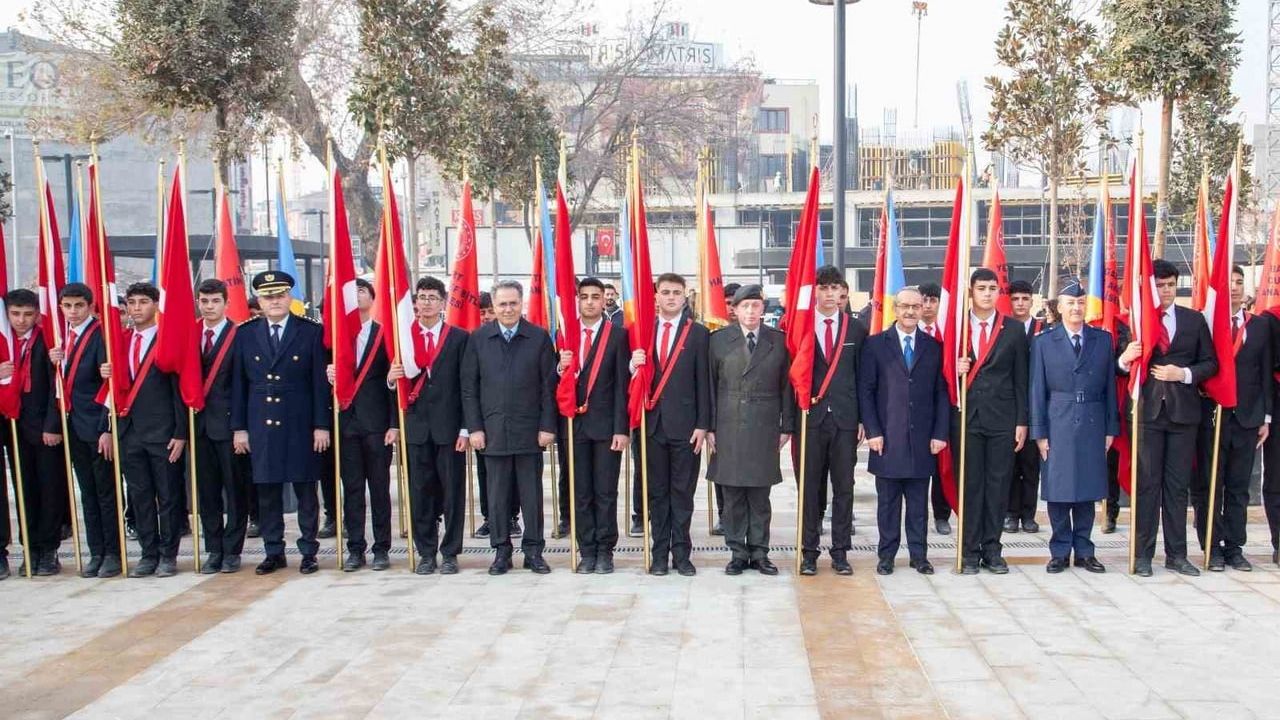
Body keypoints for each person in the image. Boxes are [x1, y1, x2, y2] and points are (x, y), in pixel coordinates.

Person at [1117, 259, 1217, 577]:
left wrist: (1184, 373)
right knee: (1147, 486)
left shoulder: (1193, 320)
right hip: (1146, 413)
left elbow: (1210, 363)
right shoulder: (1134, 320)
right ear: (1150, 288)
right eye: (1160, 285)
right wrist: (1125, 358)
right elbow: (1118, 365)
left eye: (1171, 284)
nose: (1166, 290)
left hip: (1183, 414)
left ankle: (1177, 554)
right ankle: (1143, 555)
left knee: (1176, 488)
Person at [231, 271, 331, 575]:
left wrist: (321, 425)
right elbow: (239, 385)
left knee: (305, 490)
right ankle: (273, 550)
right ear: (259, 301)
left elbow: (318, 384)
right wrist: (240, 428)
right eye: (268, 297)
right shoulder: (246, 333)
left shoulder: (310, 332)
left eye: (280, 295)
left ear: (290, 297)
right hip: (261, 422)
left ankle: (308, 551)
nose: (275, 301)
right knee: (267, 491)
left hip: (299, 422)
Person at [462, 280, 557, 575]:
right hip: (492, 432)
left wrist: (547, 426)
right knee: (497, 496)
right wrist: (474, 428)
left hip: (530, 432)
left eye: (513, 303)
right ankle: (501, 552)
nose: (507, 309)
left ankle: (533, 552)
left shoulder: (539, 338)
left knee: (531, 496)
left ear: (521, 304)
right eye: (501, 304)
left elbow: (548, 387)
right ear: (494, 306)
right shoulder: (478, 339)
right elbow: (469, 388)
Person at [1029, 282, 1118, 573]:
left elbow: (1109, 388)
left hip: (1093, 422)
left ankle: (1084, 550)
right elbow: (1037, 390)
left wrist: (1110, 428)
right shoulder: (1044, 341)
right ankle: (1059, 551)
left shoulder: (1102, 340)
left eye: (1080, 303)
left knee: (1087, 489)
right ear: (1060, 307)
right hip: (1058, 422)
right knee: (1058, 490)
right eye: (1070, 303)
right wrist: (1039, 432)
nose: (1076, 308)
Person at [859, 287, 949, 575]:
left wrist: (940, 433)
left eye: (915, 306)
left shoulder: (934, 347)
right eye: (904, 306)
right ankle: (886, 556)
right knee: (888, 504)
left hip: (923, 440)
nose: (910, 311)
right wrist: (872, 430)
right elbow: (867, 391)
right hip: (887, 438)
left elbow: (941, 393)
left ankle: (919, 555)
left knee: (919, 505)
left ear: (923, 309)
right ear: (895, 309)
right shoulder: (875, 345)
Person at [708, 284, 794, 576]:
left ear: (763, 308)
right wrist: (708, 426)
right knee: (732, 494)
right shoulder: (718, 341)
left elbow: (787, 387)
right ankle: (737, 552)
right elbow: (708, 387)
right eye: (745, 306)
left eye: (756, 306)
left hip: (764, 424)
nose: (750, 312)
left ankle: (759, 552)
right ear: (735, 309)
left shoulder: (778, 341)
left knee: (760, 495)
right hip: (728, 424)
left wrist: (787, 426)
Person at [103, 282, 187, 577]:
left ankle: (168, 554)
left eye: (143, 302)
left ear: (155, 306)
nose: (136, 308)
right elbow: (112, 391)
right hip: (129, 432)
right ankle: (148, 553)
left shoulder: (167, 341)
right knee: (139, 496)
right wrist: (109, 428)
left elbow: (179, 391)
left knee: (168, 496)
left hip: (163, 433)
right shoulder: (120, 341)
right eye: (132, 302)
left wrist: (180, 433)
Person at [1193, 265, 1271, 571]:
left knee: (1239, 487)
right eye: (1230, 283)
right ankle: (1211, 546)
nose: (1235, 288)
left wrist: (1265, 416)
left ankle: (1235, 546)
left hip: (1247, 418)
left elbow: (1264, 371)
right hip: (1213, 415)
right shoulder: (1207, 323)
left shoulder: (1259, 326)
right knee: (1211, 484)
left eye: (1239, 282)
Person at [633, 273, 710, 576]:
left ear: (685, 296)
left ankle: (682, 554)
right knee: (656, 494)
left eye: (677, 293)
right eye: (665, 292)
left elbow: (704, 382)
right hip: (650, 426)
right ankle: (658, 554)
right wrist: (633, 363)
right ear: (656, 296)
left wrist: (703, 424)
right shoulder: (641, 331)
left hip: (686, 427)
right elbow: (630, 378)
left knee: (682, 493)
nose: (671, 297)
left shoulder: (699, 334)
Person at [391, 276, 469, 575]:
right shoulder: (403, 338)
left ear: (443, 302)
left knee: (452, 494)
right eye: (421, 297)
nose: (426, 302)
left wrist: (465, 427)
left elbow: (466, 387)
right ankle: (425, 551)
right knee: (420, 493)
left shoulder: (459, 337)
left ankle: (450, 552)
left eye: (433, 297)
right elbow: (392, 386)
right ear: (414, 303)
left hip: (450, 429)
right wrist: (391, 378)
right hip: (416, 428)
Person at [953, 268, 1028, 574]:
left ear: (1000, 293)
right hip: (967, 418)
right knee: (971, 486)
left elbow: (1022, 378)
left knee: (998, 487)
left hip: (1002, 419)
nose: (987, 293)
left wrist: (1022, 421)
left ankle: (993, 550)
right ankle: (969, 552)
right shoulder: (958, 329)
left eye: (992, 288)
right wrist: (955, 369)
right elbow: (941, 375)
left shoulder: (1011, 329)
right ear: (971, 291)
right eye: (981, 288)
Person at [794, 266, 867, 576]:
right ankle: (808, 552)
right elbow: (791, 377)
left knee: (844, 487)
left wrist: (864, 418)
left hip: (845, 420)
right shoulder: (801, 326)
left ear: (843, 293)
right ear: (815, 292)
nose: (828, 294)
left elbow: (863, 378)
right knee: (809, 489)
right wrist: (789, 421)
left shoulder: (856, 329)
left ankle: (840, 552)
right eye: (822, 288)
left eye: (834, 288)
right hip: (809, 419)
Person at [556, 277, 629, 574]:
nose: (589, 302)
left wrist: (621, 429)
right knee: (580, 491)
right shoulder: (565, 335)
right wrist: (559, 367)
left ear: (604, 301)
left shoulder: (617, 336)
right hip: (573, 427)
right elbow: (551, 382)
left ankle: (605, 550)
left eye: (595, 297)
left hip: (606, 428)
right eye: (583, 296)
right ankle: (585, 549)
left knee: (605, 491)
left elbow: (622, 386)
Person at [48, 283, 121, 578]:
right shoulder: (60, 336)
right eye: (68, 306)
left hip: (97, 426)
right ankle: (97, 551)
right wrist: (54, 362)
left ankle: (114, 553)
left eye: (79, 306)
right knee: (87, 494)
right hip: (74, 426)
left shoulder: (101, 334)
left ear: (90, 306)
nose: (73, 312)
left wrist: (107, 428)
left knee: (106, 492)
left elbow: (110, 386)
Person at [328, 278, 396, 572]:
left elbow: (396, 382)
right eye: (351, 291)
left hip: (378, 425)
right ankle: (355, 547)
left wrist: (394, 424)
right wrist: (328, 374)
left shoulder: (384, 334)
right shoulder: (334, 336)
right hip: (345, 424)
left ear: (372, 297)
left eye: (362, 290)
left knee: (380, 489)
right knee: (352, 490)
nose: (357, 296)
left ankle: (382, 547)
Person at [0, 289, 63, 577]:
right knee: (23, 489)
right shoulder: (4, 343)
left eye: (27, 314)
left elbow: (56, 387)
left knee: (48, 488)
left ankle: (47, 549)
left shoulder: (47, 340)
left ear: (37, 314)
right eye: (15, 314)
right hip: (12, 426)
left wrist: (53, 425)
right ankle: (28, 547)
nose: (21, 320)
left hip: (42, 428)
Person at [193, 279, 250, 574]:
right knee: (207, 492)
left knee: (236, 490)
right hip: (199, 426)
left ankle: (232, 549)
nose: (209, 307)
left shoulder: (239, 335)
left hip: (230, 426)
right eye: (204, 301)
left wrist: (241, 427)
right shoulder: (189, 333)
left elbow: (244, 385)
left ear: (226, 303)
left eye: (215, 301)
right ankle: (213, 548)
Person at [473, 291, 520, 539]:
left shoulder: (531, 336)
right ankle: (490, 518)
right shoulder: (477, 339)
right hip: (487, 424)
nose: (487, 316)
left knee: (515, 477)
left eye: (489, 311)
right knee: (487, 476)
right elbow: (470, 386)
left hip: (519, 423)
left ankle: (512, 516)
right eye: (482, 312)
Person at [1006, 280, 1044, 534]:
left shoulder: (1044, 330)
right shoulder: (1004, 329)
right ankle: (1010, 513)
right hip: (1008, 406)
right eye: (1016, 298)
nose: (1020, 303)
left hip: (1036, 406)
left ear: (1032, 301)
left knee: (1031, 465)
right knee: (1009, 464)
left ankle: (1028, 515)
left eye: (1025, 298)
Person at [917, 281, 951, 535]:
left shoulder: (949, 335)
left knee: (942, 466)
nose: (928, 306)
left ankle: (942, 514)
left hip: (941, 407)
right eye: (924, 300)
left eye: (933, 300)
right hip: (912, 411)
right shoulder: (902, 331)